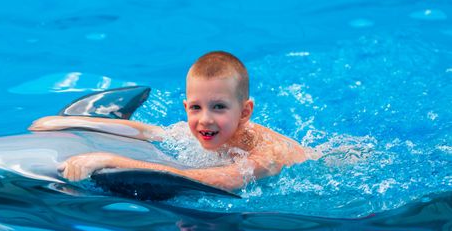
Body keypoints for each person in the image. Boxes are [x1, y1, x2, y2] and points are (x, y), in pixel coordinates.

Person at [29, 51, 308, 191]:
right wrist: (72, 122)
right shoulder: (205, 130)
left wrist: (111, 160)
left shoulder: (265, 154)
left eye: (219, 107)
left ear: (245, 112)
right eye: (196, 108)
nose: (205, 120)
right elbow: (150, 132)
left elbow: (220, 180)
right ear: (186, 107)